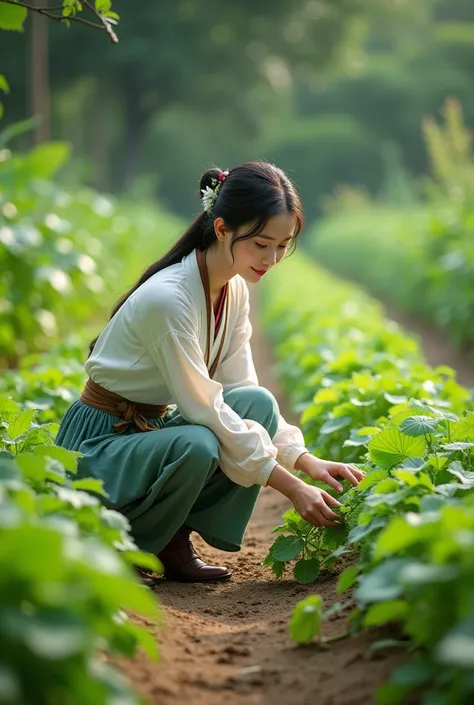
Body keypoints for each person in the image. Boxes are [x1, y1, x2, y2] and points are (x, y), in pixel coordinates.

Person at [56, 161, 363, 588]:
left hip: (147, 432)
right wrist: (291, 486)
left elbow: (240, 391)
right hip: (100, 443)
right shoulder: (169, 300)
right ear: (221, 229)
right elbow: (205, 408)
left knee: (257, 404)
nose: (271, 259)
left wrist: (304, 459)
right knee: (199, 443)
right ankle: (111, 547)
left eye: (282, 246)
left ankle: (169, 540)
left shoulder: (232, 288)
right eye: (260, 244)